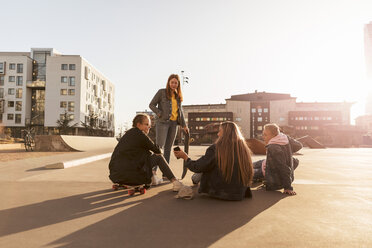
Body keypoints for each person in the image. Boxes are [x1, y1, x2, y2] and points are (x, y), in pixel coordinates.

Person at [174, 121, 253, 201]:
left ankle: (195, 178)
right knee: (209, 162)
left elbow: (198, 166)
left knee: (205, 165)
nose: (218, 134)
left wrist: (185, 157)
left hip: (220, 192)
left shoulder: (216, 148)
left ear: (225, 134)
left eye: (220, 131)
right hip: (239, 193)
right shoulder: (244, 149)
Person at [108, 114, 183, 192]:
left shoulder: (126, 135)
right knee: (158, 157)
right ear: (138, 125)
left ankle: (152, 176)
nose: (149, 127)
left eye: (149, 125)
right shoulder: (141, 135)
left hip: (115, 175)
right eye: (146, 124)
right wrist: (160, 150)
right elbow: (157, 151)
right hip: (133, 177)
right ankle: (175, 182)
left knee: (143, 158)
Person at [149, 74, 189, 181]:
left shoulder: (178, 96)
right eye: (172, 82)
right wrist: (159, 113)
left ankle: (165, 174)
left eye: (176, 82)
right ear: (168, 82)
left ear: (178, 84)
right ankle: (153, 171)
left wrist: (184, 125)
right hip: (163, 122)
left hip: (174, 124)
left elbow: (180, 111)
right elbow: (151, 104)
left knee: (168, 148)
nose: (174, 84)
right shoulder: (161, 92)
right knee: (159, 147)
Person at [253, 123, 302, 195]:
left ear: (274, 135)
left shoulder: (273, 147)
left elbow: (284, 168)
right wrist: (287, 153)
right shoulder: (285, 138)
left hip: (268, 172)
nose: (263, 137)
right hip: (266, 163)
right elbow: (299, 145)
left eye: (265, 135)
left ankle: (261, 177)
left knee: (245, 172)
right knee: (248, 165)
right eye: (263, 134)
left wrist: (288, 187)